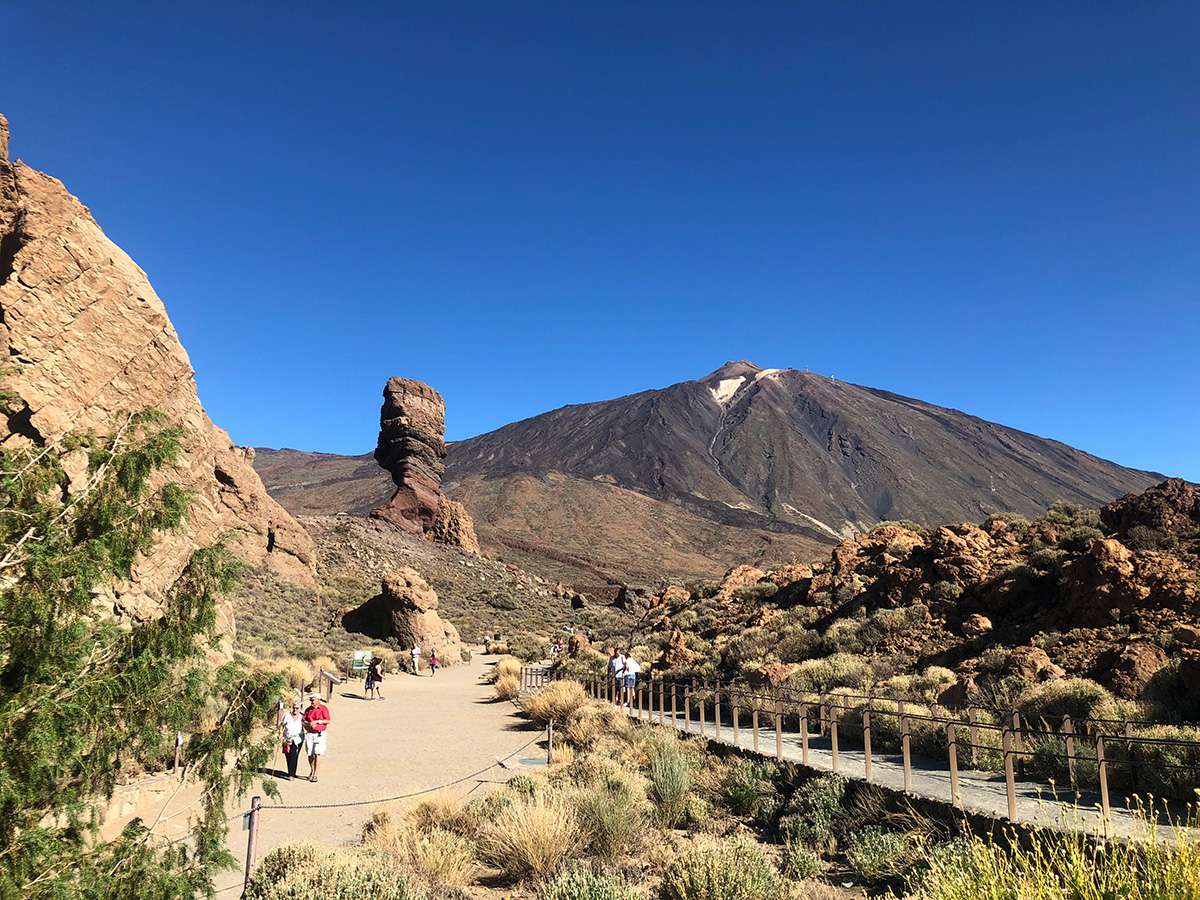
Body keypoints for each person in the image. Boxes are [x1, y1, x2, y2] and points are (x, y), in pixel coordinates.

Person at [302, 692, 330, 783]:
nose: (311, 701)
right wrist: (308, 724)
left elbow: (328, 720)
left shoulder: (323, 708)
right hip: (310, 733)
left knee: (318, 753)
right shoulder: (308, 710)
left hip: (320, 733)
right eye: (311, 700)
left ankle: (315, 774)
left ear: (318, 700)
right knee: (310, 754)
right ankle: (312, 770)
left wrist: (317, 722)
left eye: (313, 700)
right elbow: (303, 720)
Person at [280, 702, 303, 780]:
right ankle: (290, 771)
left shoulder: (302, 717)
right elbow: (281, 725)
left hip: (297, 739)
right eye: (294, 708)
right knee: (288, 755)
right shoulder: (287, 716)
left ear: (300, 709)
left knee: (294, 756)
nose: (295, 710)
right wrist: (281, 736)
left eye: (297, 708)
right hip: (287, 739)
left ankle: (291, 774)